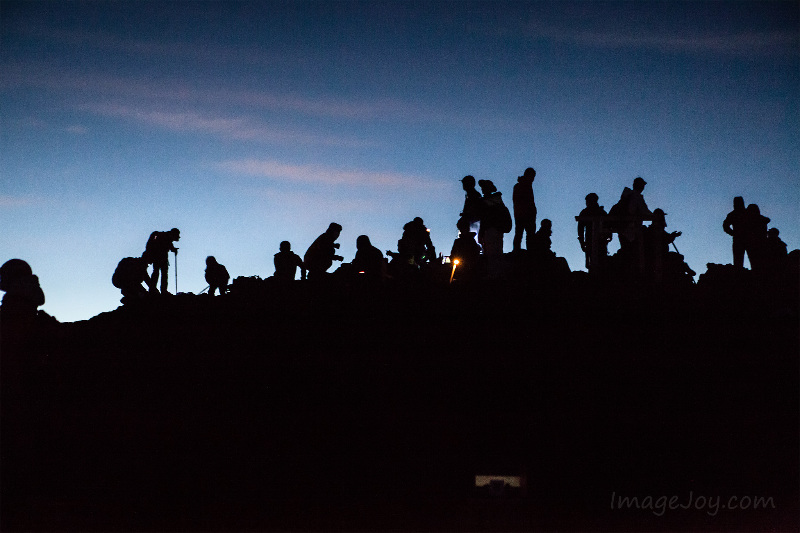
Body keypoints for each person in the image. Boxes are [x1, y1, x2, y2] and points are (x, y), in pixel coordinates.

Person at [477, 179, 512, 257]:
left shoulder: (484, 202)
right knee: (498, 251)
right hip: (499, 229)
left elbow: (484, 219)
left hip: (489, 230)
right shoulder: (498, 200)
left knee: (490, 254)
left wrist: (481, 233)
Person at [577, 193, 611, 271]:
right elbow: (580, 229)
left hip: (597, 241)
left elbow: (580, 229)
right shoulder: (600, 212)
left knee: (596, 263)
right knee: (595, 263)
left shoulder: (587, 212)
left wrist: (582, 242)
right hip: (594, 241)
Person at [143, 228, 180, 294]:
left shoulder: (166, 236)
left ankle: (153, 289)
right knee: (161, 273)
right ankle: (162, 290)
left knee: (157, 272)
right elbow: (169, 246)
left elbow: (170, 246)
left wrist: (173, 249)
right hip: (160, 257)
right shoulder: (166, 237)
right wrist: (174, 250)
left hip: (158, 257)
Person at [512, 167, 537, 252]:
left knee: (522, 234)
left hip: (522, 214)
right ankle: (521, 252)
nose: (533, 179)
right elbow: (520, 201)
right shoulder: (522, 186)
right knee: (524, 234)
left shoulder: (524, 185)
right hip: (524, 215)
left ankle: (520, 251)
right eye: (532, 176)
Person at [742, 204, 770, 272]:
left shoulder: (749, 220)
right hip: (760, 243)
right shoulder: (761, 219)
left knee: (754, 261)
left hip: (753, 243)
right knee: (759, 261)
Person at [723, 196, 747, 269]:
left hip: (748, 238)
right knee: (738, 260)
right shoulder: (733, 214)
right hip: (739, 239)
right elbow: (725, 225)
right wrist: (733, 233)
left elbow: (725, 225)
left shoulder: (747, 213)